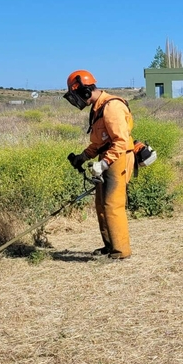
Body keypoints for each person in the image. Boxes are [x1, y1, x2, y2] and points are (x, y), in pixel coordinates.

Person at [64, 70, 135, 260]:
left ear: (85, 91)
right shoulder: (98, 107)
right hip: (107, 157)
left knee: (112, 205)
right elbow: (99, 142)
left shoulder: (112, 107)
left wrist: (103, 163)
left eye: (76, 95)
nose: (77, 101)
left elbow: (120, 141)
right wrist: (83, 157)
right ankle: (110, 246)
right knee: (101, 205)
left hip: (117, 158)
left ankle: (121, 251)